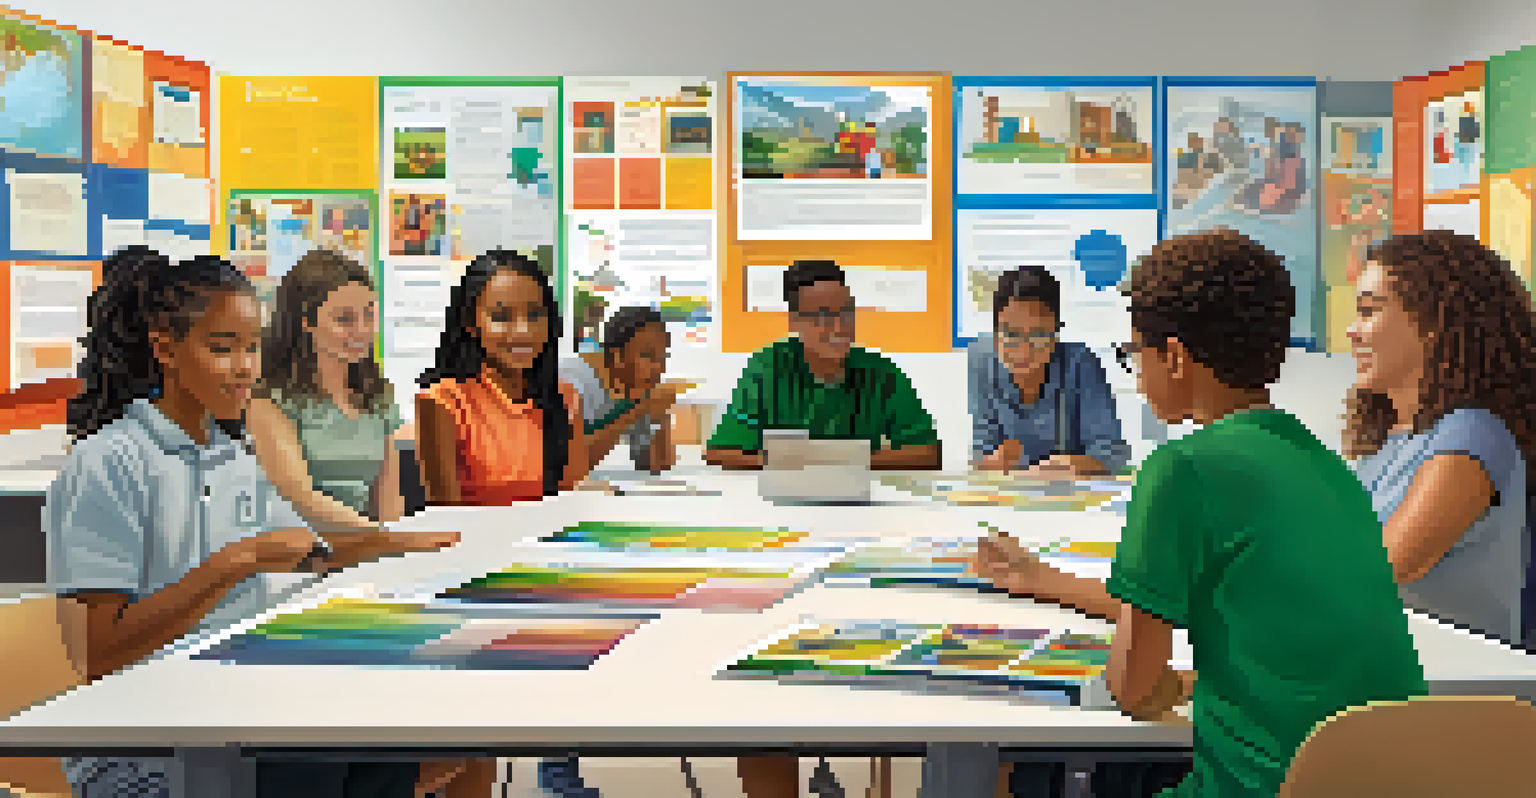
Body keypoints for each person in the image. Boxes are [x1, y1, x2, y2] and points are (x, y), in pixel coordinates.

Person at [971, 229, 1427, 797]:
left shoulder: (1181, 469)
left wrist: (1170, 684)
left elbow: (1132, 689)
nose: (1135, 372)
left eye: (1135, 354)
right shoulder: (1327, 467)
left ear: (1176, 359)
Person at [47, 247, 457, 798]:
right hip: (155, 747)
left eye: (252, 348)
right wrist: (237, 562)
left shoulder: (230, 453)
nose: (245, 369)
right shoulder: (109, 462)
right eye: (223, 349)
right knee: (338, 762)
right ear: (166, 348)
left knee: (396, 746)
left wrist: (401, 547)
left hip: (235, 707)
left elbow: (309, 552)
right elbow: (100, 654)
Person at [245, 248, 493, 797]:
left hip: (363, 571)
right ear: (306, 322)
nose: (360, 330)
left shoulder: (375, 393)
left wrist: (397, 557)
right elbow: (300, 494)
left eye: (368, 314)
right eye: (344, 317)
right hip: (296, 574)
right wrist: (387, 543)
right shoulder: (269, 399)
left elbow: (388, 491)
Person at [413, 248, 594, 798]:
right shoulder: (441, 401)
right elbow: (451, 520)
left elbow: (573, 502)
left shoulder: (562, 398)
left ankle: (559, 768)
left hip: (551, 583)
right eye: (502, 315)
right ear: (472, 320)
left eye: (534, 314)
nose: (521, 331)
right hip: (472, 590)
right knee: (472, 754)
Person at [1345, 230, 1536, 646]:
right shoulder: (1392, 440)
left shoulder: (1471, 434)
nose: (1351, 331)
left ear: (1432, 323)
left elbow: (1384, 564)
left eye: (1368, 311)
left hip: (1451, 693)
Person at [704, 259, 941, 471]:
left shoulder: (881, 372)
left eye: (847, 313)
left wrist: (829, 462)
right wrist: (813, 465)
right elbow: (720, 452)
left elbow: (928, 453)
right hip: (784, 499)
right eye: (823, 316)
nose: (840, 328)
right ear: (794, 321)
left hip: (859, 499)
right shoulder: (769, 367)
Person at [968, 265, 1129, 478]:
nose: (1024, 351)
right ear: (995, 330)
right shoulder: (982, 359)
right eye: (1011, 334)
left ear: (1056, 334)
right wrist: (993, 461)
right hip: (1010, 498)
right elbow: (982, 452)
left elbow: (1112, 455)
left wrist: (1070, 465)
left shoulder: (1079, 363)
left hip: (1073, 497)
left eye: (1039, 335)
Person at [560, 305, 685, 473]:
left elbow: (656, 466)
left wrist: (660, 415)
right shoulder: (570, 382)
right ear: (616, 356)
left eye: (663, 357)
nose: (659, 368)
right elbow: (566, 462)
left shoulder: (636, 387)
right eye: (647, 355)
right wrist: (638, 410)